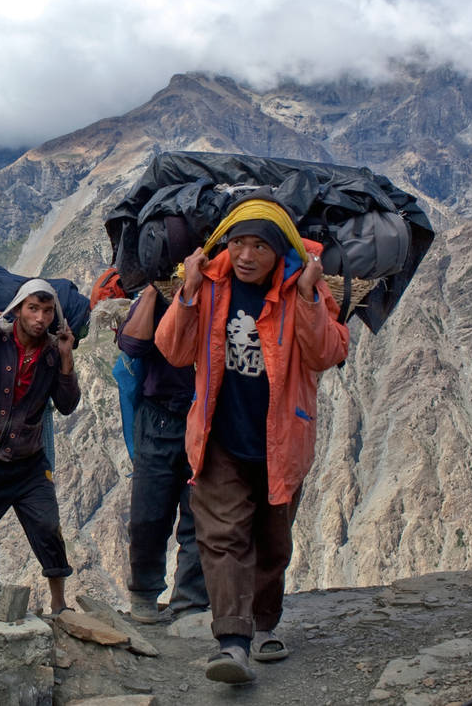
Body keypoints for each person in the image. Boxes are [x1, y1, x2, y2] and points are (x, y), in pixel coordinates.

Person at [155, 194, 350, 685]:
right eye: (238, 243)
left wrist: (306, 297)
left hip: (282, 439)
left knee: (271, 539)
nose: (245, 256)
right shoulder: (211, 283)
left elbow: (327, 352)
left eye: (259, 247)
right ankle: (233, 643)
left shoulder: (302, 287)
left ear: (279, 250)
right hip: (220, 436)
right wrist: (188, 292)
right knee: (222, 539)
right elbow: (174, 351)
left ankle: (264, 625)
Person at [0, 278, 80, 613]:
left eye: (47, 311)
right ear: (18, 309)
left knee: (48, 527)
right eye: (33, 309)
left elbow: (67, 405)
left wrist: (67, 358)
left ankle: (59, 605)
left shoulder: (54, 353)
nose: (40, 318)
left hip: (29, 463)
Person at [117, 284, 208, 623]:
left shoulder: (224, 294)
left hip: (209, 421)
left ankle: (190, 600)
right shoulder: (154, 300)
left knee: (200, 515)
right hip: (159, 417)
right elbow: (132, 344)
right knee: (147, 514)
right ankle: (144, 593)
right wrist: (154, 292)